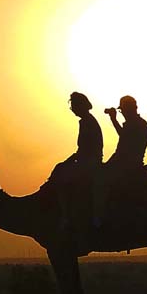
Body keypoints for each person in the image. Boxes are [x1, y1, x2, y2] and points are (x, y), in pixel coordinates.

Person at [93, 95, 147, 225]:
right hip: (129, 164)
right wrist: (114, 119)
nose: (123, 113)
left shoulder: (135, 125)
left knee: (98, 181)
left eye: (123, 110)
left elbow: (124, 148)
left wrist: (107, 165)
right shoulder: (139, 124)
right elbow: (124, 137)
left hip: (126, 166)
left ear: (129, 109)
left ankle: (98, 218)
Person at [54, 92, 103, 231]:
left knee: (61, 179)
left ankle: (65, 216)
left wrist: (69, 160)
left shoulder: (88, 122)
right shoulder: (87, 121)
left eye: (74, 105)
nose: (73, 109)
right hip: (87, 160)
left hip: (89, 162)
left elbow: (85, 148)